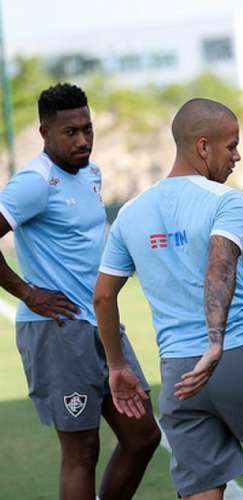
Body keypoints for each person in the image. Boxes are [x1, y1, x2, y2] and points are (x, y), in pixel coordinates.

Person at [93, 98, 243, 500]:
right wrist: (214, 343)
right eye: (232, 145)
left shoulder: (131, 213)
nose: (238, 156)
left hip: (177, 372)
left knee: (202, 490)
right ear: (203, 147)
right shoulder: (225, 200)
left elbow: (103, 297)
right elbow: (219, 265)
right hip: (236, 354)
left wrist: (117, 365)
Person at [0, 83, 160, 499]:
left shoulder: (92, 173)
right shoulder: (33, 183)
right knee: (81, 450)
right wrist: (28, 293)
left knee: (143, 435)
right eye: (71, 132)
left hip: (102, 324)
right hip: (57, 332)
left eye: (87, 129)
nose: (83, 140)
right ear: (44, 133)